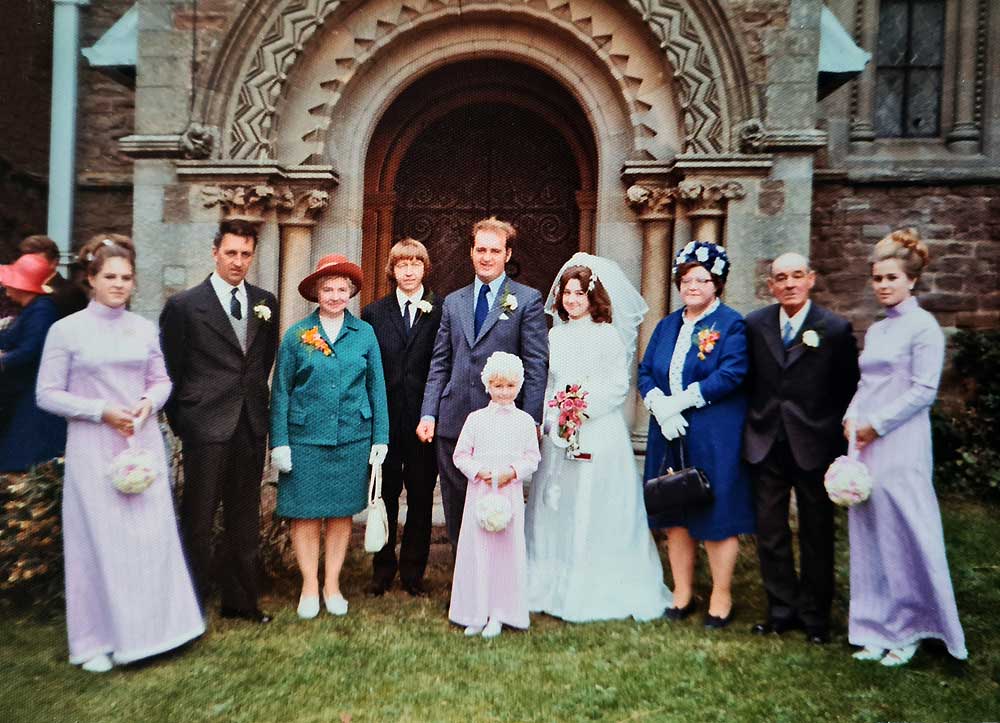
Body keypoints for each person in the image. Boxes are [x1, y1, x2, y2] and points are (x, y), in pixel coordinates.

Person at [35, 235, 204, 673]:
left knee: (150, 539)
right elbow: (47, 394)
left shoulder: (144, 328)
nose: (119, 285)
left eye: (126, 278)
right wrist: (99, 411)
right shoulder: (66, 331)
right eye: (110, 277)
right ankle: (95, 641)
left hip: (141, 441)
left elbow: (160, 380)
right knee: (100, 542)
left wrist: (150, 403)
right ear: (91, 279)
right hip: (94, 446)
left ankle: (162, 630)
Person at [525, 254, 671, 621]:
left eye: (579, 293)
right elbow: (551, 382)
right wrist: (551, 415)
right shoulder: (555, 335)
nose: (572, 300)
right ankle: (548, 582)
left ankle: (590, 584)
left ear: (593, 298)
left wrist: (580, 410)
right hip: (560, 433)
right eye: (566, 293)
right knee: (556, 503)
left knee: (591, 504)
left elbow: (618, 386)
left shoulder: (607, 336)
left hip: (597, 432)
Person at [845, 229, 966, 666]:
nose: (882, 285)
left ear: (911, 280)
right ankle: (874, 627)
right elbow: (866, 382)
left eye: (891, 278)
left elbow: (923, 391)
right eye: (877, 278)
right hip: (866, 445)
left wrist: (876, 424)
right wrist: (852, 415)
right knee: (870, 534)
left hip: (902, 441)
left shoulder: (924, 327)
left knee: (905, 533)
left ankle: (912, 629)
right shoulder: (877, 331)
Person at [159, 218, 280, 624]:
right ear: (215, 252)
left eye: (246, 254)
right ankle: (188, 603)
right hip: (204, 425)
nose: (238, 262)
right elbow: (171, 372)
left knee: (244, 517)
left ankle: (241, 602)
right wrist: (187, 421)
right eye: (231, 253)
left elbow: (261, 363)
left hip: (248, 424)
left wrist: (254, 411)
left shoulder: (266, 302)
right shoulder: (184, 306)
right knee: (198, 517)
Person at [743, 253, 859, 645]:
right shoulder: (756, 325)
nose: (789, 283)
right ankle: (780, 610)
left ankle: (814, 617)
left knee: (815, 530)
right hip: (766, 441)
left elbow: (847, 389)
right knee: (770, 529)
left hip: (813, 443)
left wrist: (836, 439)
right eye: (781, 278)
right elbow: (750, 381)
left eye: (797, 276)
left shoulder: (834, 328)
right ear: (771, 286)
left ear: (811, 279)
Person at [638, 241, 755, 629]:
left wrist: (684, 400)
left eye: (702, 279)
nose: (692, 286)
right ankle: (682, 591)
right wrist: (657, 404)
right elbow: (646, 371)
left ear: (717, 283)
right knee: (675, 508)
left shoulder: (731, 324)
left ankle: (721, 595)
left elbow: (733, 372)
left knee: (715, 510)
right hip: (668, 431)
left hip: (711, 432)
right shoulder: (668, 324)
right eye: (686, 279)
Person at [417, 217, 548, 549]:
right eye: (480, 250)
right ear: (471, 253)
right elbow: (440, 361)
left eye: (494, 250)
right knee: (457, 501)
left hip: (502, 422)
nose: (486, 257)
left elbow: (535, 364)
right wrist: (429, 412)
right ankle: (464, 579)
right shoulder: (454, 301)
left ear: (507, 254)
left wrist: (532, 417)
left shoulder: (527, 299)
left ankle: (497, 576)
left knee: (498, 500)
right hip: (455, 417)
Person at [270, 254, 389, 618]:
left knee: (340, 515)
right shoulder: (296, 335)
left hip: (353, 437)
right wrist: (279, 442)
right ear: (315, 293)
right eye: (328, 289)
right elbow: (281, 392)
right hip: (305, 438)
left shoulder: (364, 333)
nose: (335, 295)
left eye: (342, 289)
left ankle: (331, 584)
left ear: (351, 292)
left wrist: (380, 438)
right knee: (304, 515)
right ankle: (308, 586)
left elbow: (376, 387)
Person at [361, 239, 442, 597]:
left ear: (425, 268)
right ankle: (382, 570)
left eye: (415, 264)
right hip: (388, 420)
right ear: (391, 270)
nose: (408, 271)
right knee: (386, 495)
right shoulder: (374, 314)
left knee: (422, 497)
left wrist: (433, 412)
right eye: (401, 264)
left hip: (426, 422)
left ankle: (413, 573)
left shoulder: (441, 309)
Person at [449, 352, 541, 638]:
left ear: (519, 386)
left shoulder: (525, 421)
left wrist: (513, 471)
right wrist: (479, 471)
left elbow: (532, 457)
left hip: (509, 494)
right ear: (488, 385)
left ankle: (500, 612)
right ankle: (474, 611)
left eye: (510, 386)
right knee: (478, 551)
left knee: (504, 553)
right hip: (480, 493)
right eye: (498, 386)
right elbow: (460, 455)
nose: (504, 392)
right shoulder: (475, 420)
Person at [0, 252, 66, 471]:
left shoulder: (42, 310)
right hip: (24, 390)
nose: (6, 287)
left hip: (33, 391)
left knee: (25, 454)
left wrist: (4, 359)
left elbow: (31, 349)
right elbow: (11, 338)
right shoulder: (33, 309)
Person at [18, 235, 88, 318]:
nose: (29, 266)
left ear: (54, 262)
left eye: (37, 261)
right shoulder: (19, 289)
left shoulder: (71, 293)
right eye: (25, 262)